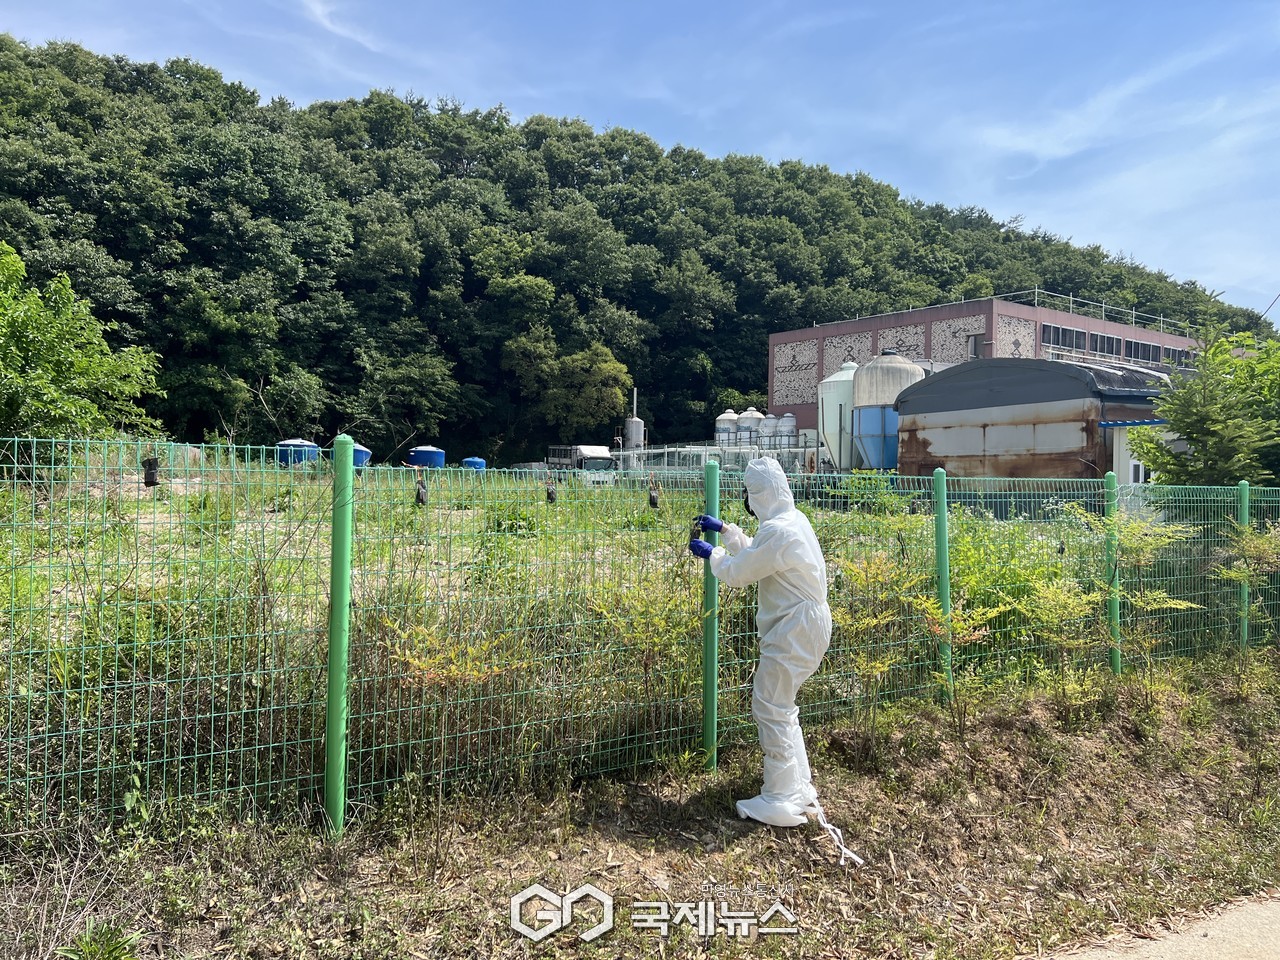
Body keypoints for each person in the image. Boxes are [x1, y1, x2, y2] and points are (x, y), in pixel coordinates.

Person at [688, 456, 831, 828]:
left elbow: (741, 571)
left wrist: (714, 554)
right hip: (807, 624)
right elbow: (763, 554)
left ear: (760, 495)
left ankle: (779, 798)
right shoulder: (792, 521)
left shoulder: (780, 531)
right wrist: (729, 533)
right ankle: (798, 787)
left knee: (770, 706)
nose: (749, 502)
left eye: (750, 494)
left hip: (794, 629)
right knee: (782, 706)